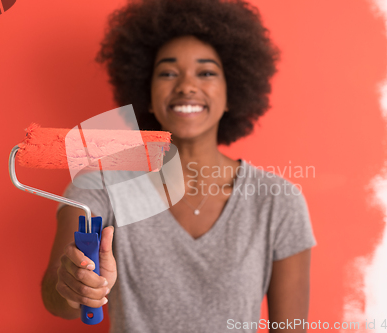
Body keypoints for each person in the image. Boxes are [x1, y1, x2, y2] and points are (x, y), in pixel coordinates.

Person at [41, 0, 316, 332]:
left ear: (233, 92)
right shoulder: (99, 187)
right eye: (168, 72)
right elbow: (59, 302)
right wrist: (74, 285)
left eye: (206, 72)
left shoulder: (277, 201)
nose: (186, 85)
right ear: (147, 92)